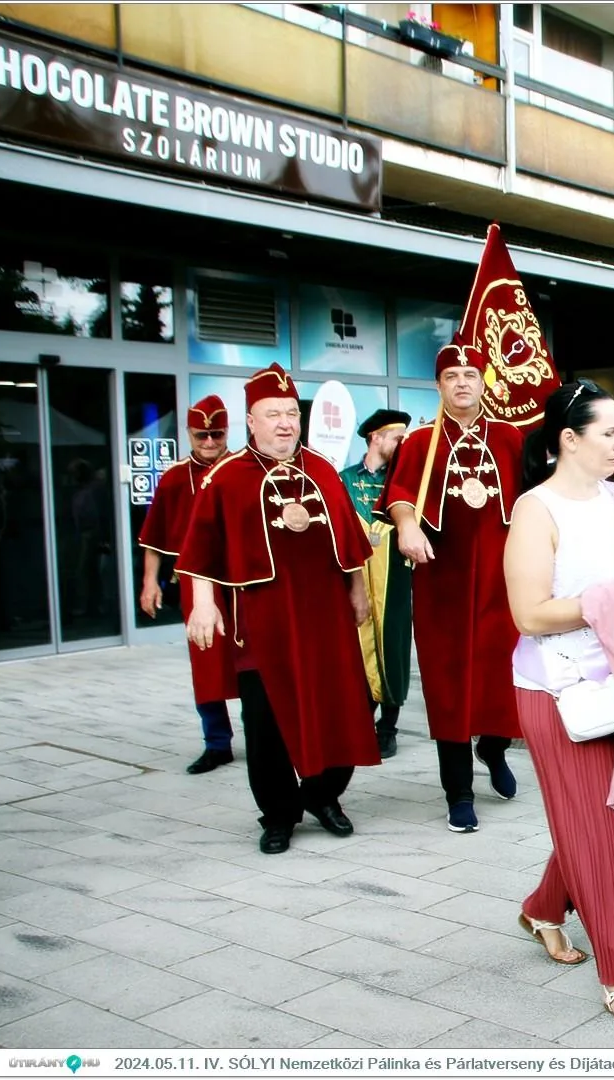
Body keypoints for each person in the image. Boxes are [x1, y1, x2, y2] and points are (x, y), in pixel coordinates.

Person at [506, 379, 614, 1036]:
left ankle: (544, 907)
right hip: (557, 691)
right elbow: (528, 613)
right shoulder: (535, 509)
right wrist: (609, 601)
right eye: (608, 433)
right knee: (601, 832)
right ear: (568, 439)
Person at [177, 364, 380, 854]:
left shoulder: (324, 470)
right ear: (252, 421)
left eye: (292, 413)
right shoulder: (226, 479)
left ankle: (323, 796)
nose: (286, 423)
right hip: (260, 626)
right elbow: (200, 551)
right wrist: (202, 605)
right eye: (274, 414)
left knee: (338, 708)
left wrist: (358, 592)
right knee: (265, 726)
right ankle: (278, 814)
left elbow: (350, 545)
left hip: (325, 619)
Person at [385, 344, 525, 833]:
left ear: (483, 381)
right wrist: (407, 525)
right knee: (448, 686)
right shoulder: (420, 442)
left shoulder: (510, 438)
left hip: (499, 583)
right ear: (439, 385)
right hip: (441, 582)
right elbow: (399, 496)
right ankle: (458, 792)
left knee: (499, 676)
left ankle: (494, 746)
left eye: (470, 374)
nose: (462, 382)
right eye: (451, 375)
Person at [138, 395, 242, 775]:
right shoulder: (174, 479)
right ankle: (217, 742)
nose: (210, 442)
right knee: (206, 661)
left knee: (253, 660)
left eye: (217, 434)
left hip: (244, 582)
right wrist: (150, 582)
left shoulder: (244, 469)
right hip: (196, 584)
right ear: (189, 433)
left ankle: (267, 735)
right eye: (202, 436)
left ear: (228, 430)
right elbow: (155, 537)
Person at [339, 408, 413, 759]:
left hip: (395, 577)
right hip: (355, 579)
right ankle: (359, 718)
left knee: (394, 646)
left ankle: (388, 727)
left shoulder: (405, 483)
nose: (403, 443)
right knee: (356, 647)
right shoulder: (344, 480)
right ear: (376, 437)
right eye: (397, 437)